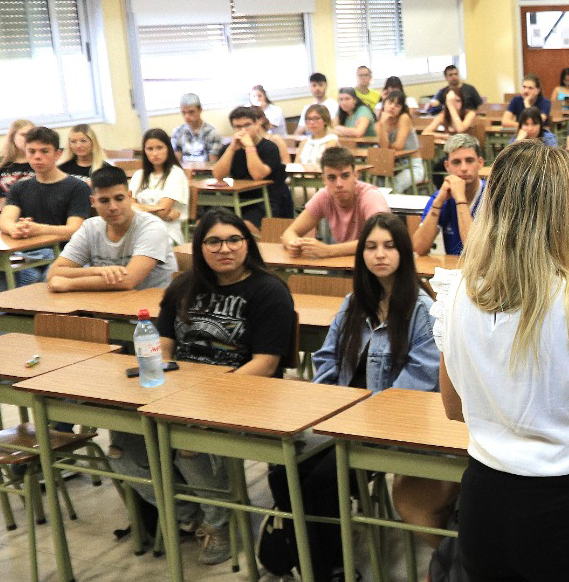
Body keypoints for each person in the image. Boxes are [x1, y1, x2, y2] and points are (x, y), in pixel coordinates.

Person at [433, 142, 569, 581]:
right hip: (568, 505)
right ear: (566, 213)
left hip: (485, 497)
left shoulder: (454, 293)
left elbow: (454, 407)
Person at [268, 213, 449, 578]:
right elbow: (326, 360)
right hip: (338, 419)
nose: (379, 254)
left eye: (389, 246)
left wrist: (354, 419)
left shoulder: (422, 311)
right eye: (371, 247)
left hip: (388, 430)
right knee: (282, 471)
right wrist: (323, 410)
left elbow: (418, 382)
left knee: (321, 482)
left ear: (403, 253)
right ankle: (315, 558)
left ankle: (329, 566)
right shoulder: (354, 303)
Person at [116, 208, 294, 565]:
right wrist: (168, 387)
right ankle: (189, 513)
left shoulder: (269, 290)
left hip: (245, 393)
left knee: (190, 444)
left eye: (233, 239)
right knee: (122, 446)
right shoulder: (184, 285)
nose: (224, 248)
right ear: (200, 247)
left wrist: (206, 397)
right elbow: (164, 342)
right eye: (213, 241)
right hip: (182, 391)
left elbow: (266, 363)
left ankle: (220, 522)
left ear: (247, 244)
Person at [0, 127, 92, 292]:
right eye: (32, 151)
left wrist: (39, 229)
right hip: (26, 254)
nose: (37, 157)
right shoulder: (19, 187)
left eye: (45, 151)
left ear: (58, 154)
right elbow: (5, 220)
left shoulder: (77, 187)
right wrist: (14, 228)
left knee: (46, 287)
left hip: (66, 255)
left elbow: (75, 230)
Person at [47, 165, 178, 292]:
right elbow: (54, 272)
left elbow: (128, 281)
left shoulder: (152, 227)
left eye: (119, 198)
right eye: (104, 201)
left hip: (152, 308)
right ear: (93, 202)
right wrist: (96, 271)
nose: (113, 207)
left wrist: (70, 284)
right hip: (107, 304)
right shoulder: (90, 227)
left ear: (129, 197)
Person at [281, 147, 390, 258]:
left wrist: (329, 250)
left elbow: (378, 239)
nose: (339, 184)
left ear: (355, 175)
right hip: (342, 262)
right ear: (324, 179)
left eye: (345, 176)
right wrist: (293, 244)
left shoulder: (370, 196)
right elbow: (289, 232)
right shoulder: (324, 196)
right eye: (332, 178)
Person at [213, 105, 293, 226]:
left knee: (246, 224)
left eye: (247, 125)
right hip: (239, 197)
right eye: (238, 127)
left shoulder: (269, 147)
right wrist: (231, 149)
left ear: (256, 124)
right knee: (214, 221)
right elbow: (218, 175)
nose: (243, 130)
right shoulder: (229, 148)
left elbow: (258, 175)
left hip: (268, 199)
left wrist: (249, 147)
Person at [413, 134, 485, 256]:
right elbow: (419, 248)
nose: (463, 168)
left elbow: (473, 251)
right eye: (456, 162)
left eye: (469, 161)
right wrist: (438, 203)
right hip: (453, 272)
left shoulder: (494, 196)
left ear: (480, 163)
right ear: (447, 166)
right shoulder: (441, 197)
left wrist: (460, 199)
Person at [130, 128, 190, 246]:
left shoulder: (176, 174)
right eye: (150, 149)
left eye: (159, 148)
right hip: (140, 228)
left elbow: (162, 211)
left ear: (168, 148)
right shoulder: (139, 175)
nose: (155, 153)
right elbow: (128, 207)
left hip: (167, 231)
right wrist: (158, 210)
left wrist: (138, 207)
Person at [379, 90, 427, 192]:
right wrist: (382, 125)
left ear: (401, 108)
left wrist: (387, 145)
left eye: (397, 105)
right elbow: (384, 149)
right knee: (377, 184)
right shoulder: (384, 119)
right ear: (384, 104)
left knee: (393, 188)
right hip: (395, 166)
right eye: (390, 103)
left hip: (412, 167)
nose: (392, 107)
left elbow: (398, 146)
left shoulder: (404, 118)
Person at [0, 119, 35, 198]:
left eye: (31, 135)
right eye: (23, 135)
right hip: (3, 208)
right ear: (12, 136)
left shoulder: (40, 160)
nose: (28, 139)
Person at [171, 93, 225, 163]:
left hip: (205, 172)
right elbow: (177, 161)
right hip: (185, 171)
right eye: (183, 113)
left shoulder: (212, 132)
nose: (187, 116)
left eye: (191, 112)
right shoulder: (178, 131)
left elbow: (213, 164)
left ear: (200, 110)